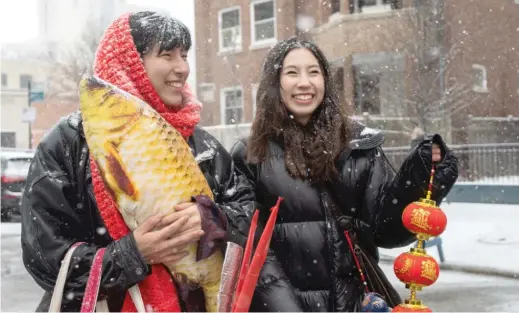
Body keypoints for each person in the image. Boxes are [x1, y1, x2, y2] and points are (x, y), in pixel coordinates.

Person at [20, 11, 254, 312]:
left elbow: (248, 217)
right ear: (128, 63)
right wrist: (133, 254)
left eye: (184, 55)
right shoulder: (70, 143)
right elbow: (46, 258)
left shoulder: (202, 144)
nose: (181, 68)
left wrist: (213, 221)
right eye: (167, 55)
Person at [229, 37, 459, 312]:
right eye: (292, 73)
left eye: (314, 72)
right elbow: (250, 250)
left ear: (326, 80)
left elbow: (386, 231)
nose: (305, 83)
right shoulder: (250, 155)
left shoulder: (359, 145)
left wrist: (422, 174)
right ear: (274, 83)